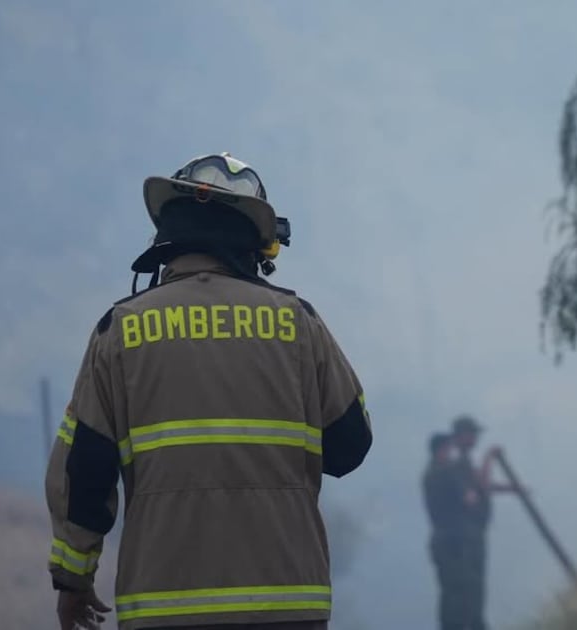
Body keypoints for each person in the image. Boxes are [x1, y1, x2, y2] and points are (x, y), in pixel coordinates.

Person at [44, 152, 373, 630]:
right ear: (254, 243)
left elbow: (83, 473)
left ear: (169, 235)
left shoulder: (118, 332)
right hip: (284, 606)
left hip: (163, 609)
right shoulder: (298, 324)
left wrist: (73, 580)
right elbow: (350, 446)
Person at [445, 415, 521, 630]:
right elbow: (483, 485)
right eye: (471, 434)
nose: (475, 438)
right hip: (465, 537)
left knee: (475, 588)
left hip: (473, 534)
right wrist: (489, 457)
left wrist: (514, 489)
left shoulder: (464, 464)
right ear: (460, 437)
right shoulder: (455, 466)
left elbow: (484, 484)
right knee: (470, 589)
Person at [422, 432, 464, 630]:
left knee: (452, 589)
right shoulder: (441, 473)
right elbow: (466, 498)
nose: (450, 453)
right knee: (454, 589)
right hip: (448, 538)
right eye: (448, 449)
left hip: (444, 537)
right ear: (440, 451)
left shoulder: (433, 473)